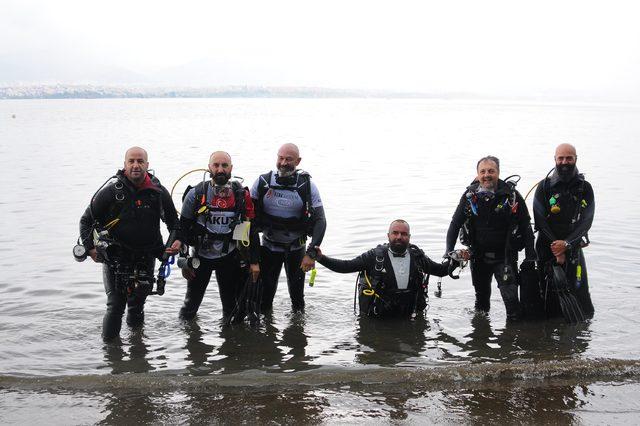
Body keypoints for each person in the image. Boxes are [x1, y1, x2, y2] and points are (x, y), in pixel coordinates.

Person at [79, 147, 181, 341]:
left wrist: (174, 243)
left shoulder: (158, 192)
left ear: (147, 165)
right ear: (124, 165)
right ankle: (111, 354)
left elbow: (174, 225)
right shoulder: (111, 192)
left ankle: (138, 350)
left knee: (137, 305)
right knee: (115, 306)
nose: (136, 165)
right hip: (116, 258)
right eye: (131, 161)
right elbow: (86, 221)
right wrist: (90, 248)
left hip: (147, 255)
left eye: (140, 161)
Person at [445, 156, 535, 321]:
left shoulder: (512, 196)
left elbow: (526, 227)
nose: (487, 175)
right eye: (483, 171)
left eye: (491, 171)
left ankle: (512, 340)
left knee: (512, 305)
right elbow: (455, 224)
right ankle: (480, 340)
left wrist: (530, 257)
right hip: (478, 257)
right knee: (481, 305)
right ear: (478, 174)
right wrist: (448, 252)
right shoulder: (469, 197)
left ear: (498, 173)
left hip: (505, 257)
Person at [178, 151, 260, 321]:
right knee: (190, 307)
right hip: (200, 258)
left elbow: (250, 230)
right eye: (216, 165)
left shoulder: (241, 195)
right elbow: (182, 231)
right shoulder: (196, 194)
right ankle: (187, 340)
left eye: (224, 165)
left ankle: (229, 343)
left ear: (231, 168)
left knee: (230, 309)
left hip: (228, 258)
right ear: (209, 168)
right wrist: (184, 261)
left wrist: (254, 262)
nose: (220, 169)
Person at [315, 220, 456, 318]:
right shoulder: (374, 257)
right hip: (378, 317)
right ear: (388, 235)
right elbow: (345, 266)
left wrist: (456, 260)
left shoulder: (417, 257)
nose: (399, 237)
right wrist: (321, 258)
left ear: (409, 237)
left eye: (403, 234)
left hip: (408, 317)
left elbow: (441, 271)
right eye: (395, 233)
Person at [251, 143, 327, 312]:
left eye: (289, 159)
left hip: (296, 248)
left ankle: (298, 334)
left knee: (298, 300)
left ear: (298, 161)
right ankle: (265, 331)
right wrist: (253, 259)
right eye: (281, 158)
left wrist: (311, 253)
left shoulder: (306, 185)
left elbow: (320, 220)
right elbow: (248, 220)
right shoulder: (263, 182)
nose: (284, 163)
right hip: (269, 247)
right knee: (265, 297)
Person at [533, 143, 595, 319]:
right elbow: (540, 222)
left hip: (573, 248)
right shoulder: (544, 187)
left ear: (576, 159)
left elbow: (586, 222)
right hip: (547, 248)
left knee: (580, 297)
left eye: (569, 158)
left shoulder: (585, 188)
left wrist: (566, 245)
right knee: (546, 296)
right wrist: (557, 248)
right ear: (555, 160)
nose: (565, 162)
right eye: (561, 158)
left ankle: (580, 335)